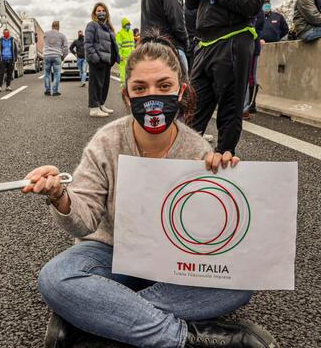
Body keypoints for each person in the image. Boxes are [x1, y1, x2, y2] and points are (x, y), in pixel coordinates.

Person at [22, 32, 278, 348]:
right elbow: (84, 221)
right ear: (127, 96)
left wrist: (223, 184)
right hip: (112, 253)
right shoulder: (106, 142)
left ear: (181, 91)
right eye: (140, 88)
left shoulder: (197, 150)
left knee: (244, 280)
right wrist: (59, 195)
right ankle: (184, 339)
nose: (152, 96)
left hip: (174, 261)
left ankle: (95, 319)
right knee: (56, 278)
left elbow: (211, 237)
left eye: (164, 86)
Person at [186, 0, 274, 155]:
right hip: (205, 43)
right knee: (190, 111)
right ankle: (181, 166)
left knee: (228, 113)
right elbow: (192, 6)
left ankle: (222, 169)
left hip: (234, 40)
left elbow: (252, 4)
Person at [84, 2, 120, 118]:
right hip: (97, 60)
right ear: (94, 13)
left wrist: (115, 58)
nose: (101, 13)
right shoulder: (92, 25)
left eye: (103, 10)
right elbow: (88, 44)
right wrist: (95, 58)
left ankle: (101, 104)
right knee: (96, 84)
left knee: (104, 85)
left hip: (106, 61)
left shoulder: (108, 27)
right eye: (98, 11)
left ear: (106, 13)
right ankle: (94, 108)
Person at [43, 21, 69, 96]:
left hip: (47, 55)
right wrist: (64, 56)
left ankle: (47, 90)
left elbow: (44, 42)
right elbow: (65, 47)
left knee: (47, 73)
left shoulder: (46, 33)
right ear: (58, 26)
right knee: (57, 74)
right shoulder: (62, 35)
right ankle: (55, 91)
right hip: (57, 55)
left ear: (52, 26)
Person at [115, 18, 136, 86]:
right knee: (123, 71)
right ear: (124, 25)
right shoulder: (120, 33)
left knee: (132, 70)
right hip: (123, 56)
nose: (129, 26)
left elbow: (133, 44)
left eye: (129, 24)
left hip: (131, 55)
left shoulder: (130, 32)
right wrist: (120, 55)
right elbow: (118, 46)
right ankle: (123, 85)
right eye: (127, 24)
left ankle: (131, 84)